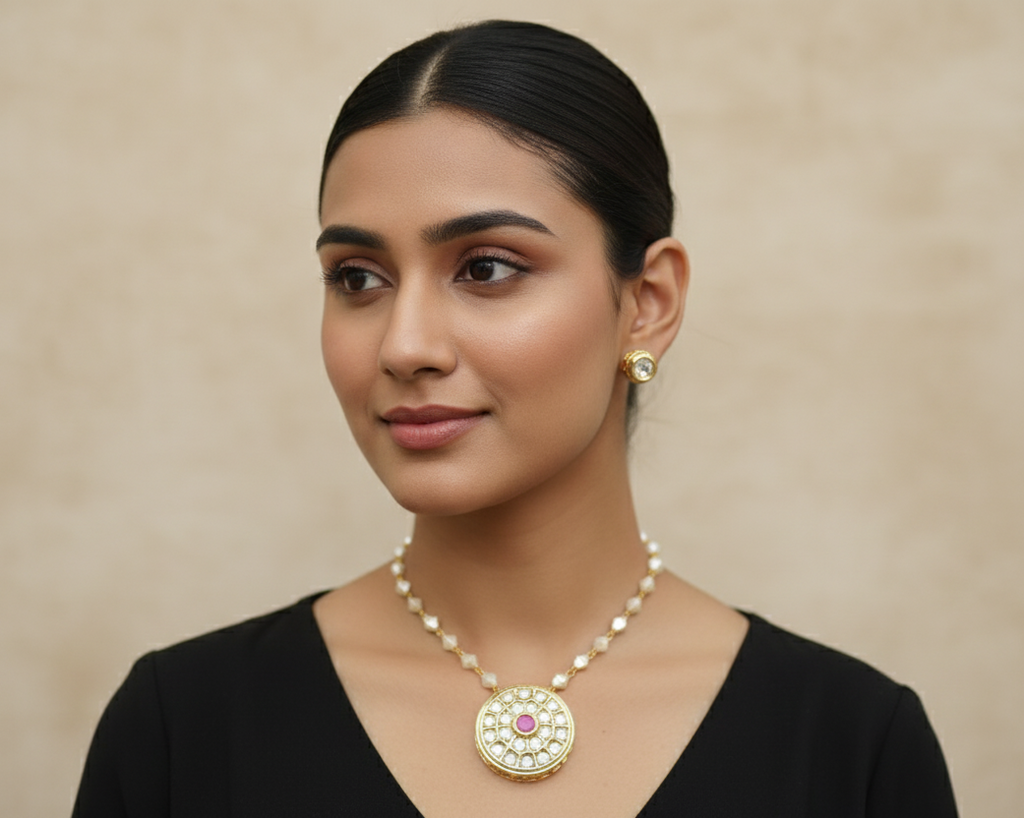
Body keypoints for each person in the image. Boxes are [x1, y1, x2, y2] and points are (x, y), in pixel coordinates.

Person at [72, 20, 958, 817]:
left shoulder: (852, 746)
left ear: (646, 303)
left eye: (487, 268)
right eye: (357, 278)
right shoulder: (181, 731)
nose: (404, 345)